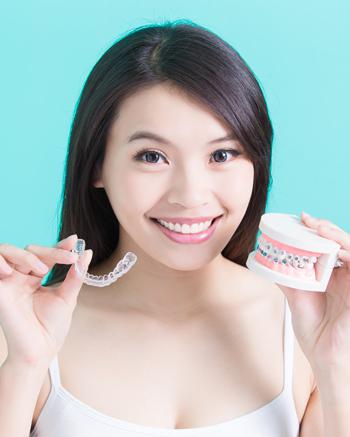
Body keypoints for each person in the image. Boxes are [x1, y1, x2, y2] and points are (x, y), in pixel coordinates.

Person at [1, 19, 349, 437]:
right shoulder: (22, 332)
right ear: (97, 165)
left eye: (222, 155)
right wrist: (24, 364)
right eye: (152, 156)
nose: (190, 195)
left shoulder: (309, 330)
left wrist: (336, 362)